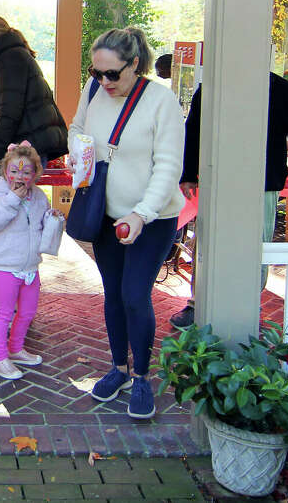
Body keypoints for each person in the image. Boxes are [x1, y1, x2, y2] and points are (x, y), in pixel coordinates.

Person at [70, 27, 185, 419]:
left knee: (136, 295)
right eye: (97, 72)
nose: (104, 82)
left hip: (151, 218)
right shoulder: (93, 90)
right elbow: (77, 130)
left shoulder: (161, 101)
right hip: (105, 212)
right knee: (114, 294)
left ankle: (141, 377)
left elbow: (169, 165)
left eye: (113, 74)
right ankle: (118, 367)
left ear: (135, 64)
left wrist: (142, 213)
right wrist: (80, 156)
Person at [169, 71, 288, 328]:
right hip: (217, 181)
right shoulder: (212, 88)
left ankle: (248, 305)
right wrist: (187, 174)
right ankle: (198, 304)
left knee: (256, 247)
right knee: (207, 245)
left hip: (263, 185)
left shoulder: (281, 89)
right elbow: (193, 130)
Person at [0, 142, 64, 380]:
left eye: (26, 172)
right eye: (14, 171)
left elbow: (38, 225)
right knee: (4, 314)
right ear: (5, 170)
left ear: (35, 174)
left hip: (30, 266)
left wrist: (52, 219)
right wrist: (12, 199)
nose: (19, 176)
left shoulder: (37, 195)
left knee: (27, 312)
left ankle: (15, 349)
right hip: (5, 266)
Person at [0, 14, 67, 179]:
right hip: (24, 148)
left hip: (23, 153)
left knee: (13, 203)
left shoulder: (10, 59)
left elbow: (8, 116)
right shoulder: (13, 56)